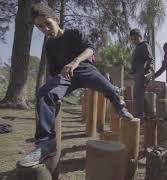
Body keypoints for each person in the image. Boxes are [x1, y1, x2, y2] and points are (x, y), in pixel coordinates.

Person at [17, 3, 133, 167]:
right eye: (40, 27)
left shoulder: (73, 33)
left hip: (85, 69)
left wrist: (75, 61)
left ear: (56, 20)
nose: (45, 29)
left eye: (48, 24)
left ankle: (120, 107)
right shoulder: (49, 45)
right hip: (66, 77)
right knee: (44, 93)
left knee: (109, 88)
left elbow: (90, 49)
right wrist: (53, 89)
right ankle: (45, 144)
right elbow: (53, 71)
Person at [129, 29, 155, 122]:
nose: (134, 41)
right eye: (132, 39)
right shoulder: (137, 47)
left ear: (140, 36)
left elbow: (150, 58)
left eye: (135, 38)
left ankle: (140, 118)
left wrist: (151, 69)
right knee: (139, 95)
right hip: (138, 74)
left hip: (143, 74)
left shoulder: (144, 45)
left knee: (139, 95)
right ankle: (150, 115)